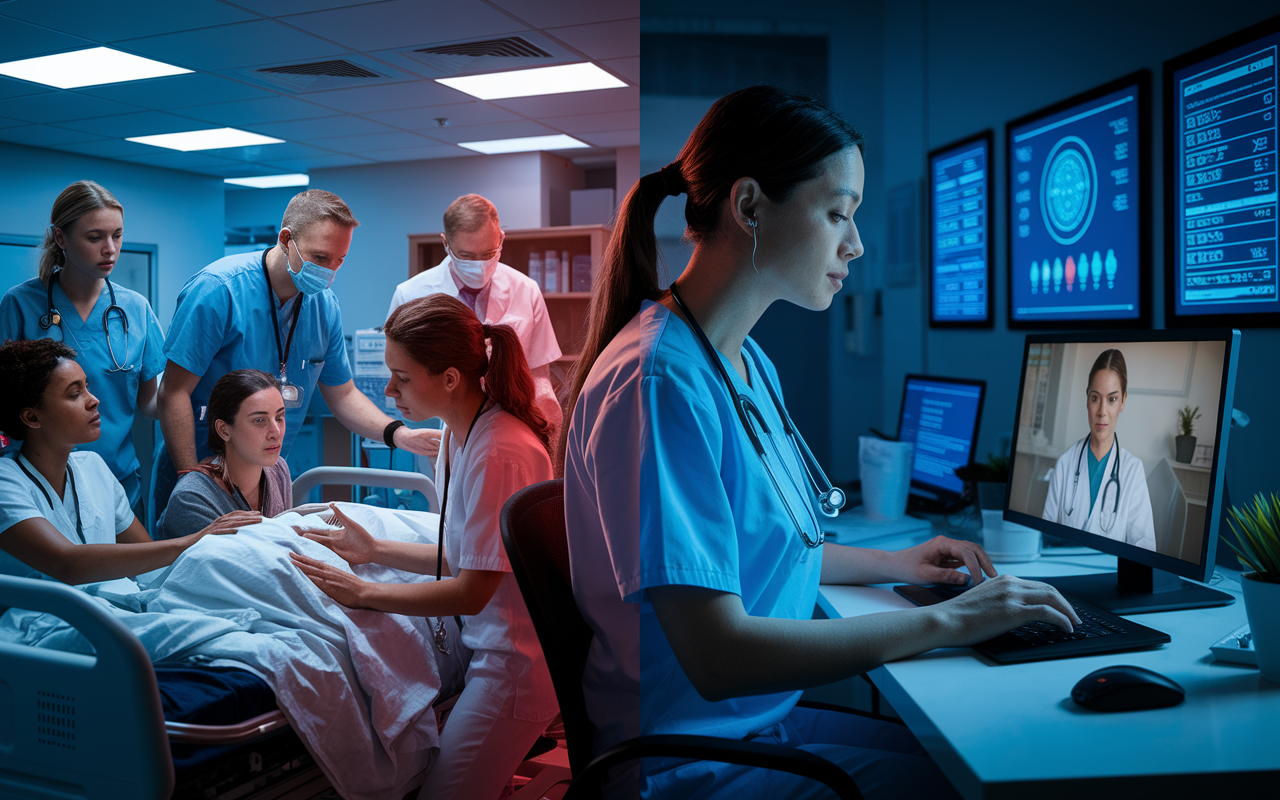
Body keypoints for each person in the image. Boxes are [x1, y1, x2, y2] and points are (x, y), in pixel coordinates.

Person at [561, 85, 1081, 799]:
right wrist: (950, 621)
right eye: (838, 212)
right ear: (748, 207)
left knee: (993, 760)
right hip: (684, 762)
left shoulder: (741, 360)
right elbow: (718, 654)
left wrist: (898, 564)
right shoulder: (660, 383)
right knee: (985, 785)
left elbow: (755, 550)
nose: (856, 243)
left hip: (748, 729)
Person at [291, 294, 556, 800]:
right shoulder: (459, 434)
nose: (389, 391)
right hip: (489, 653)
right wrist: (372, 550)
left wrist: (363, 593)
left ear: (450, 377)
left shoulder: (501, 449)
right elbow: (462, 554)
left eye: (403, 377)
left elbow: (469, 592)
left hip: (513, 668)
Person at [156, 189, 436, 533]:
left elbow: (343, 394)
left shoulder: (323, 305)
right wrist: (193, 483)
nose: (330, 271)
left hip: (264, 474)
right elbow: (173, 393)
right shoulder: (219, 291)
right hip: (202, 467)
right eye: (320, 258)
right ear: (286, 239)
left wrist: (397, 434)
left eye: (339, 260)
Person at [0, 339, 255, 588]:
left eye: (87, 387)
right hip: (41, 622)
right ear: (32, 417)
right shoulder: (6, 481)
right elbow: (66, 565)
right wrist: (195, 540)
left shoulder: (93, 467)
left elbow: (150, 562)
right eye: (75, 394)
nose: (94, 400)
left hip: (108, 612)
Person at [0, 180, 165, 517]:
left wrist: (193, 392)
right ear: (60, 238)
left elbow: (149, 403)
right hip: (37, 482)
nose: (111, 249)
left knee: (130, 568)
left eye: (117, 235)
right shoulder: (20, 304)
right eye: (95, 237)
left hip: (117, 482)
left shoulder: (135, 309)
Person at [386, 194, 563, 439]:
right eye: (466, 256)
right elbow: (402, 377)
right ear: (445, 243)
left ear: (501, 239)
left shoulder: (526, 289)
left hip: (512, 426)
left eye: (488, 253)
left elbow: (538, 373)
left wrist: (547, 423)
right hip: (437, 430)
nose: (479, 264)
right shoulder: (411, 294)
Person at [156, 369, 293, 540]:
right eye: (259, 420)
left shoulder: (278, 470)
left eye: (279, 417)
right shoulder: (192, 499)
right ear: (223, 430)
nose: (276, 432)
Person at [1042, 349, 1156, 550]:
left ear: (1123, 401)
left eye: (1112, 399)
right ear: (1087, 400)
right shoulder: (1065, 463)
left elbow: (1144, 548)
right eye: (1095, 398)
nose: (1102, 412)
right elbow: (1044, 538)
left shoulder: (1132, 471)